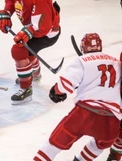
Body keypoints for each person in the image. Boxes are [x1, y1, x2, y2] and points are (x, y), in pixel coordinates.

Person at [33, 33, 122, 161]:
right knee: (99, 146)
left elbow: (65, 86)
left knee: (52, 145)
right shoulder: (117, 63)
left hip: (84, 115)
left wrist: (56, 92)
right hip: (111, 120)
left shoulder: (81, 61)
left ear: (83, 47)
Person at [0, 0, 61, 104]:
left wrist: (28, 32)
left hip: (47, 33)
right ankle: (34, 75)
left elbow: (44, 26)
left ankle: (26, 90)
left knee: (18, 50)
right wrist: (6, 14)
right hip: (35, 27)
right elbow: (11, 1)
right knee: (28, 55)